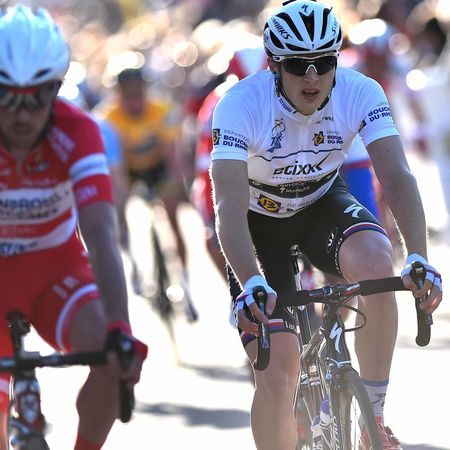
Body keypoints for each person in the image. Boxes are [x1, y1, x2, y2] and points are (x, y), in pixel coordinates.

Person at [209, 1, 443, 449]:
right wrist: (251, 282)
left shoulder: (361, 90)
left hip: (320, 204)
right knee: (279, 369)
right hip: (258, 224)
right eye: (298, 65)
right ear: (274, 65)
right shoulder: (239, 105)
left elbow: (397, 175)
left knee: (377, 262)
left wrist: (418, 256)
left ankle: (373, 419)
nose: (313, 76)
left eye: (324, 62)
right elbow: (229, 206)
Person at [0, 5, 147, 450]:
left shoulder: (78, 129)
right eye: (7, 97)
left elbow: (100, 232)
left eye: (36, 97)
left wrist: (120, 326)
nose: (22, 114)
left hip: (56, 269)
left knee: (114, 359)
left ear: (56, 89)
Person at [94, 67, 194, 303]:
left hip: (159, 166)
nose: (134, 100)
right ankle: (134, 266)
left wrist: (181, 185)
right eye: (127, 95)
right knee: (118, 214)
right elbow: (115, 171)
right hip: (127, 169)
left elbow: (174, 155)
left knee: (172, 212)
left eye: (138, 93)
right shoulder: (107, 119)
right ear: (117, 95)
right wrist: (120, 206)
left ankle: (183, 276)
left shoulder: (162, 109)